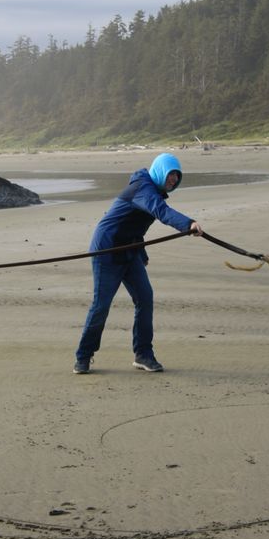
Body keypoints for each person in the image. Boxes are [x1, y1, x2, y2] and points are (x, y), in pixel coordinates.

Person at [73, 152, 203, 374]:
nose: (173, 180)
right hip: (107, 250)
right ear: (159, 171)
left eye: (176, 177)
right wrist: (188, 223)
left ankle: (143, 354)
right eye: (170, 175)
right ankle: (83, 357)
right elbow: (161, 212)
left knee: (145, 298)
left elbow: (133, 225)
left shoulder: (153, 190)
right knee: (101, 305)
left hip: (129, 250)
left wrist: (140, 253)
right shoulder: (143, 189)